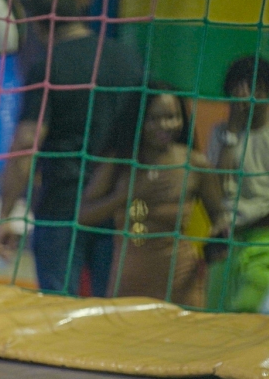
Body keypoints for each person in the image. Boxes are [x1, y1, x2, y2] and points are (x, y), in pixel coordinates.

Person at [0, 0, 143, 296]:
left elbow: (27, 141)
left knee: (58, 306)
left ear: (39, 23)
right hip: (114, 203)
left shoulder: (49, 65)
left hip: (62, 204)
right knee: (108, 308)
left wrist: (5, 214)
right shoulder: (127, 60)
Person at [79, 86, 228, 306]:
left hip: (180, 283)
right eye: (153, 119)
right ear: (139, 120)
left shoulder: (195, 164)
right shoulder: (121, 162)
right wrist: (126, 195)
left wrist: (219, 235)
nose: (164, 125)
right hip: (128, 285)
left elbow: (220, 217)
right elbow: (83, 215)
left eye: (172, 117)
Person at [207, 56, 269, 314]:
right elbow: (217, 189)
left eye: (253, 87)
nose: (245, 97)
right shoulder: (220, 134)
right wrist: (232, 130)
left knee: (250, 315)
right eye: (238, 90)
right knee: (216, 318)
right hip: (229, 240)